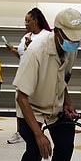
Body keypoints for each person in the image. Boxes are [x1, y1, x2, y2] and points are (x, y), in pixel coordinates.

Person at [10, 8, 81, 161]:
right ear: (58, 32)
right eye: (71, 38)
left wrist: (68, 103)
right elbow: (22, 97)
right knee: (35, 150)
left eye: (78, 39)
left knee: (64, 145)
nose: (75, 43)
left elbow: (62, 80)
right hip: (31, 107)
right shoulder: (36, 52)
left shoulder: (70, 50)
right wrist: (38, 134)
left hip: (55, 105)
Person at [5, 8, 52, 144]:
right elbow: (22, 54)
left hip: (38, 78)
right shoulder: (27, 36)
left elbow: (46, 56)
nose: (25, 24)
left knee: (34, 107)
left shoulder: (47, 36)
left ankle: (37, 133)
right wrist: (14, 50)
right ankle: (20, 132)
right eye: (25, 21)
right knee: (20, 105)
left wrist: (31, 47)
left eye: (28, 21)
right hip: (24, 75)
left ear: (36, 21)